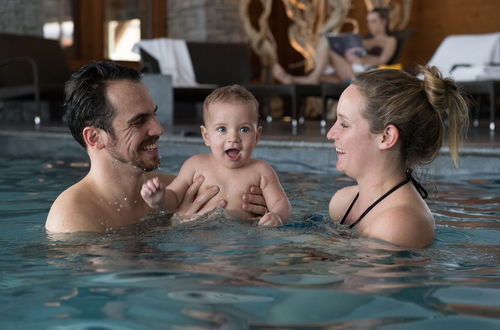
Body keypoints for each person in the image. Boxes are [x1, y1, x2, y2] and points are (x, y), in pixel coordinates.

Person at [45, 62, 268, 233]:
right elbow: (124, 286)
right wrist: (177, 227)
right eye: (139, 121)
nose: (159, 129)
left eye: (154, 114)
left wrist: (262, 213)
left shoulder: (181, 190)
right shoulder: (73, 217)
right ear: (95, 137)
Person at [327, 66, 469, 248]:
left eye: (344, 124)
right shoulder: (342, 203)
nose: (330, 134)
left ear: (386, 137)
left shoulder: (400, 224)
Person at [141, 85, 292, 226]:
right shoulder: (195, 166)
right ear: (206, 136)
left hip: (245, 241)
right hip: (201, 241)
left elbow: (280, 202)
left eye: (244, 129)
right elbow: (174, 196)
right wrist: (159, 200)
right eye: (222, 129)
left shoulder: (262, 171)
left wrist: (277, 216)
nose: (233, 138)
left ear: (257, 136)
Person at [273, 7, 397, 84]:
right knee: (321, 76)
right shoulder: (364, 38)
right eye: (368, 21)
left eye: (374, 21)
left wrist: (360, 60)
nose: (370, 25)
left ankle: (307, 78)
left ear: (384, 22)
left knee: (329, 51)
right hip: (349, 68)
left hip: (366, 72)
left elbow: (383, 60)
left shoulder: (390, 40)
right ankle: (292, 79)